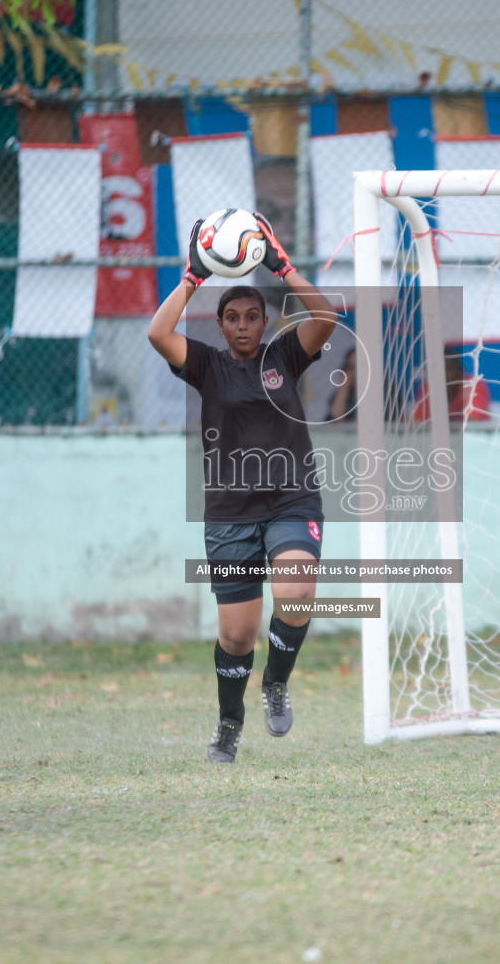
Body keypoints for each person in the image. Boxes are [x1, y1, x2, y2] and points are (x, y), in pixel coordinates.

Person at [147, 214, 337, 763]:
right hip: (229, 512)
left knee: (297, 590)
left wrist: (283, 265)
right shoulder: (205, 365)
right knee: (237, 638)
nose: (245, 326)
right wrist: (192, 276)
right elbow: (158, 333)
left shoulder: (285, 355)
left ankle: (276, 683)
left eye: (254, 317)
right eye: (233, 319)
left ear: (266, 320)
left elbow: (327, 315)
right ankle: (229, 723)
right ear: (222, 324)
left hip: (292, 498)